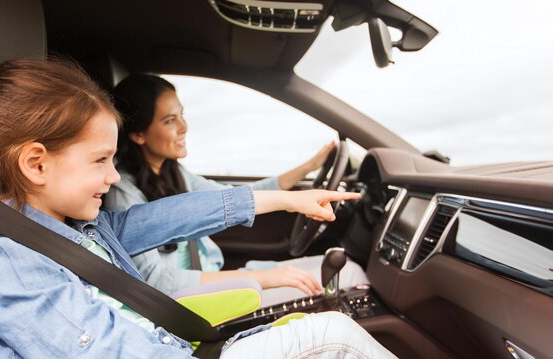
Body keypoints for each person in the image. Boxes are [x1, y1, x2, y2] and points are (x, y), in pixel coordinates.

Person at [0, 58, 501, 359]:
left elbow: (178, 214)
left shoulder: (80, 229)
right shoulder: (9, 268)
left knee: (333, 332)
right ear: (36, 164)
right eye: (101, 161)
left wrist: (284, 197)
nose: (114, 178)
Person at [104, 74, 369, 304]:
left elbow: (231, 198)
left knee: (346, 271)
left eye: (182, 115)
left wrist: (308, 167)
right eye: (170, 121)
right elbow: (154, 279)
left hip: (216, 280)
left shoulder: (173, 173)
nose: (184, 127)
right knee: (350, 275)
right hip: (194, 301)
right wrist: (258, 278)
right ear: (138, 134)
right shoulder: (123, 193)